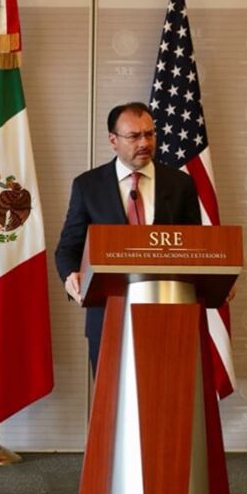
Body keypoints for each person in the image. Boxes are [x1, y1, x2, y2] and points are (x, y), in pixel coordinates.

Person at [54, 101, 201, 371]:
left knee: (169, 404)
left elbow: (197, 246)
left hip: (170, 313)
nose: (144, 142)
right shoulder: (88, 186)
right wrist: (70, 276)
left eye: (150, 134)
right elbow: (68, 248)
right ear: (113, 140)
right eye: (134, 136)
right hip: (109, 315)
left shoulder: (180, 184)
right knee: (112, 409)